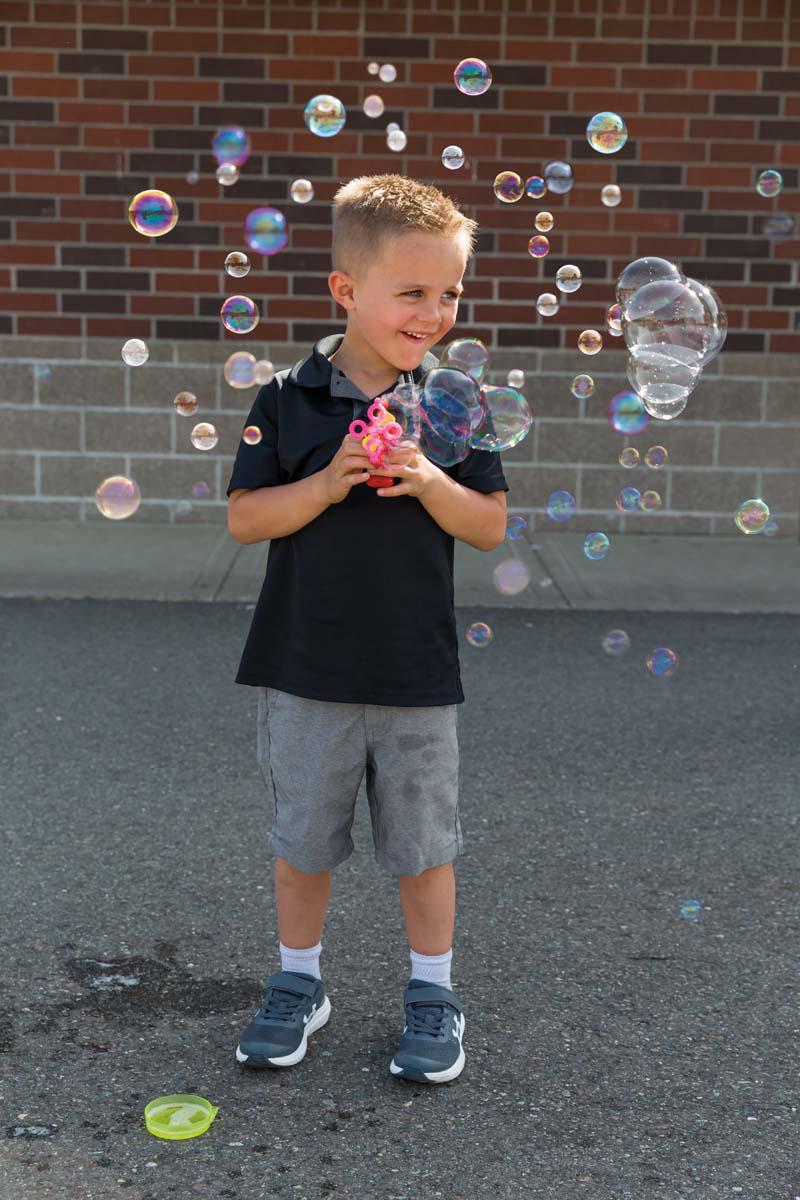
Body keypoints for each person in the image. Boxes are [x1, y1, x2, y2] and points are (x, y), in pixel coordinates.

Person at [226, 173, 509, 1085]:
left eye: (451, 293)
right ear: (346, 290)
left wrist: (429, 478)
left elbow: (491, 524)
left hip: (415, 673)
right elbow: (244, 518)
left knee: (423, 848)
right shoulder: (286, 398)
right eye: (414, 291)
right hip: (303, 667)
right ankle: (298, 981)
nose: (435, 312)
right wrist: (326, 480)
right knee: (303, 842)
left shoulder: (456, 404)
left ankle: (434, 992)